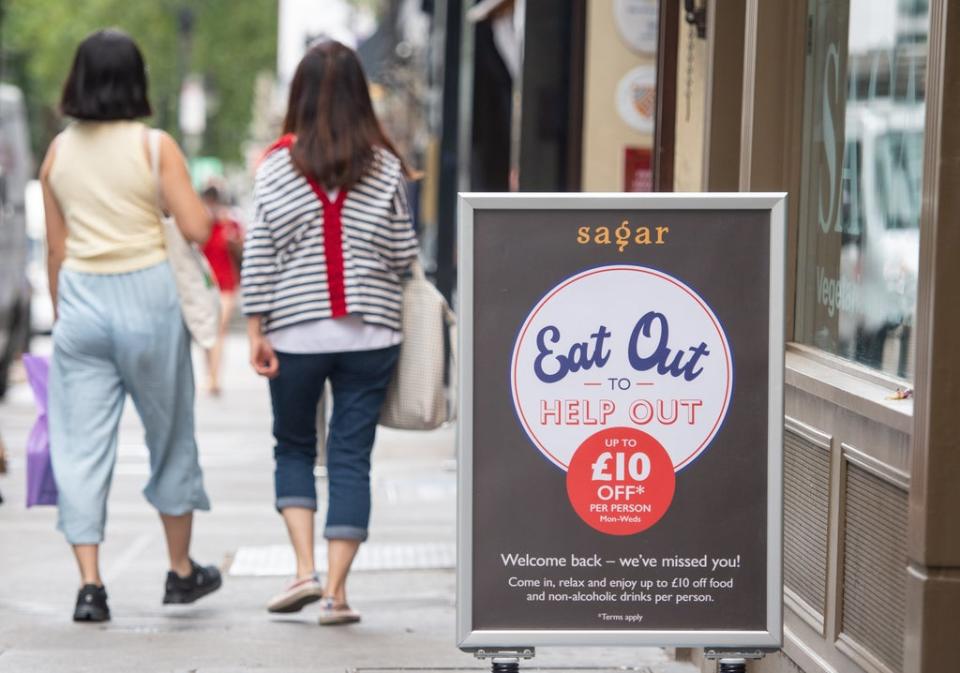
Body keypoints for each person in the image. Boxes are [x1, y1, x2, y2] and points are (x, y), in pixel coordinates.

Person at [39, 29, 222, 623]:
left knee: (80, 445)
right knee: (169, 436)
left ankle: (90, 586)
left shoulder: (58, 154)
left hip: (82, 301)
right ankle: (180, 572)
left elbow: (56, 252)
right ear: (137, 80)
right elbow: (195, 228)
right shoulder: (154, 147)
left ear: (79, 80)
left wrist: (65, 313)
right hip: (147, 295)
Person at [242, 41, 418, 626]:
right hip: (371, 335)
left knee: (293, 446)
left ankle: (302, 570)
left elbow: (260, 254)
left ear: (299, 95)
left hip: (293, 333)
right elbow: (403, 255)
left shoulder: (274, 166)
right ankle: (337, 596)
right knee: (350, 457)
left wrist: (255, 329)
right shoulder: (386, 165)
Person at [200, 185, 243, 396]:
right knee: (208, 332)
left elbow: (242, 249)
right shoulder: (200, 224)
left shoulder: (229, 224)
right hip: (205, 285)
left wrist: (231, 235)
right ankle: (211, 373)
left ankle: (215, 377)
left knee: (219, 329)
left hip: (227, 284)